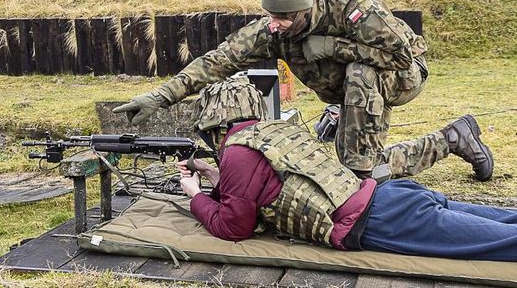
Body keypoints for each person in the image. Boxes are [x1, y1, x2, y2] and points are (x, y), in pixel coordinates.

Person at [113, 0, 493, 181]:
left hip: (401, 75)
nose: (274, 25)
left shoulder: (354, 9)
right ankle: (453, 138)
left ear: (305, 8)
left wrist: (332, 47)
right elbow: (219, 59)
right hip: (349, 93)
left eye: (283, 18)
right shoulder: (272, 29)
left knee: (357, 175)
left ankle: (367, 169)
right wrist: (160, 96)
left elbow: (402, 58)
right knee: (358, 170)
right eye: (270, 16)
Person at [177, 77, 516, 261]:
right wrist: (214, 177)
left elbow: (234, 227)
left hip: (380, 221)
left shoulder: (236, 150)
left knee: (504, 244)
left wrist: (194, 196)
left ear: (214, 126)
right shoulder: (273, 133)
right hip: (388, 198)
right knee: (503, 221)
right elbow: (261, 185)